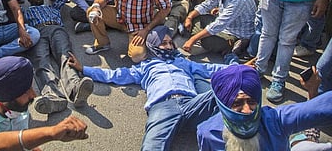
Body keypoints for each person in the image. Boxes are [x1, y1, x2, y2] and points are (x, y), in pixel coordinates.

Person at [69, 25, 237, 150]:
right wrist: (84, 69)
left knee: (225, 93)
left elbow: (210, 69)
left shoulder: (183, 62)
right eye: (164, 43)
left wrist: (239, 69)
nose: (169, 46)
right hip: (162, 107)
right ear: (153, 45)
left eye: (170, 43)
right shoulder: (146, 66)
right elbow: (115, 75)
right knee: (151, 147)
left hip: (192, 102)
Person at [196, 64, 332, 151]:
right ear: (222, 106)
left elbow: (321, 108)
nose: (247, 111)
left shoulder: (275, 121)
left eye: (252, 101)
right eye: (237, 104)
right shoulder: (208, 133)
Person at [0, 56, 89, 150]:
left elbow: (23, 141)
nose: (33, 95)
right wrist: (51, 133)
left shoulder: (17, 109)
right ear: (4, 97)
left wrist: (33, 146)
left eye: (30, 87)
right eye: (24, 91)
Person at [24, 0, 94, 114]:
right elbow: (14, 14)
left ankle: (75, 88)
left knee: (66, 56)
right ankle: (52, 96)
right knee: (41, 62)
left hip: (56, 29)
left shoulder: (53, 7)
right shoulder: (26, 11)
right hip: (37, 31)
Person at [183, 0, 256, 55]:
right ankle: (201, 40)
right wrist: (189, 17)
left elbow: (220, 24)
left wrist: (192, 39)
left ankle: (235, 44)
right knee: (196, 17)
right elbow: (206, 5)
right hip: (224, 27)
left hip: (236, 33)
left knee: (207, 40)